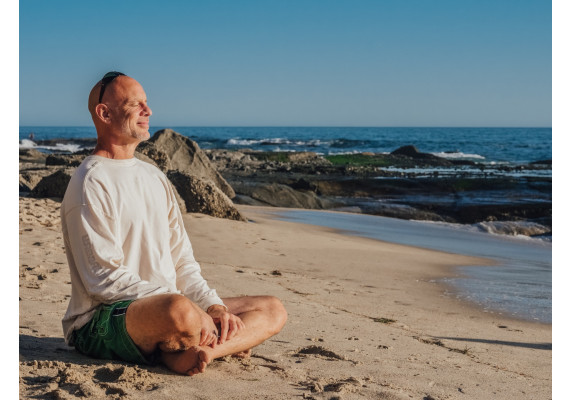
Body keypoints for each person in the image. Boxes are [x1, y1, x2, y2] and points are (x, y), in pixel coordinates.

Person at [60, 71, 287, 376]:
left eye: (147, 103)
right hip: (104, 317)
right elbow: (103, 279)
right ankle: (200, 343)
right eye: (135, 104)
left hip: (173, 307)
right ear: (104, 113)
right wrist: (189, 308)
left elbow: (182, 261)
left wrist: (212, 306)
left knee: (272, 309)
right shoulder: (91, 180)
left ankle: (199, 350)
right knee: (178, 312)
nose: (148, 111)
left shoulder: (154, 176)